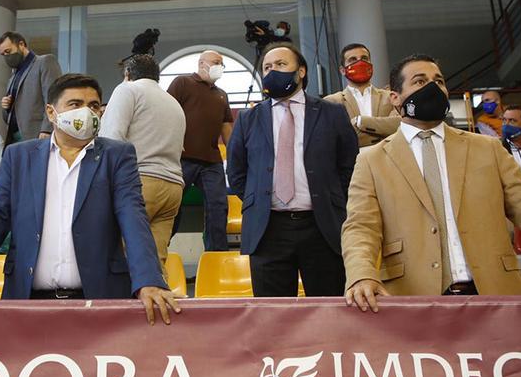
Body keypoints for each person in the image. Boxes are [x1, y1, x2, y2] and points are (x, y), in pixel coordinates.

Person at [0, 74, 178, 326]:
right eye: (75, 104)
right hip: (27, 302)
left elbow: (133, 217)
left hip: (100, 302)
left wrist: (149, 280)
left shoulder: (117, 156)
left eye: (94, 105)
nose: (86, 112)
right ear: (51, 113)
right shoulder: (18, 156)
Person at [342, 55, 521, 313]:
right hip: (412, 301)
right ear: (395, 97)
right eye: (420, 81)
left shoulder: (488, 149)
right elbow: (361, 227)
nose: (433, 87)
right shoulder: (371, 160)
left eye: (439, 80)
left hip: (496, 295)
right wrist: (362, 274)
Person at [227, 43, 358, 297]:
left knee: (328, 312)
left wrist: (332, 199)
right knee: (273, 319)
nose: (272, 70)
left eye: (280, 64)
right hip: (268, 230)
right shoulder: (247, 119)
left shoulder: (332, 113)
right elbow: (237, 172)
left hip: (322, 227)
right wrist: (260, 200)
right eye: (267, 67)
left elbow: (349, 165)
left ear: (301, 71)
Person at [100, 54, 186, 275]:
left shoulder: (127, 90)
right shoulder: (173, 102)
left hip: (139, 182)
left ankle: (122, 310)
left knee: (123, 259)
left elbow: (111, 139)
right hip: (173, 187)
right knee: (156, 265)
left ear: (127, 74)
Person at [167, 50, 233, 251]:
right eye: (216, 62)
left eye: (222, 63)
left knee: (218, 207)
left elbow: (226, 125)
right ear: (201, 63)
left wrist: (235, 155)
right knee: (172, 206)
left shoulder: (221, 94)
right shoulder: (182, 83)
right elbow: (167, 113)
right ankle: (158, 250)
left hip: (212, 161)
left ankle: (216, 254)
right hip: (182, 157)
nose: (219, 66)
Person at [324, 43, 400, 148]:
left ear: (371, 65)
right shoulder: (331, 102)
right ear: (342, 70)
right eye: (353, 59)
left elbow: (399, 125)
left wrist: (359, 122)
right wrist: (382, 131)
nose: (360, 62)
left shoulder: (390, 97)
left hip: (388, 159)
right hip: (354, 161)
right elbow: (335, 137)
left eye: (364, 58)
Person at [0, 31, 62, 145]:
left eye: (8, 51)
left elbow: (54, 97)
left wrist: (46, 129)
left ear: (21, 45)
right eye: (3, 54)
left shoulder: (44, 62)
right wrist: (6, 107)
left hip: (37, 134)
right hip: (14, 138)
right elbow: (9, 116)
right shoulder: (13, 76)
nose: (7, 56)